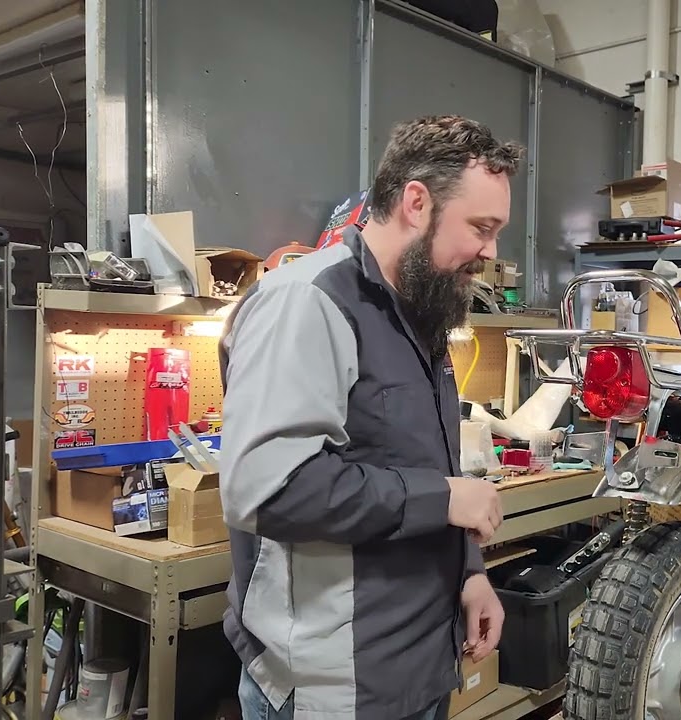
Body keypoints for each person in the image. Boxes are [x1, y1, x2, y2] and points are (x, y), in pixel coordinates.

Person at [216, 115, 526, 720]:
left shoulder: (423, 312)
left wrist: (468, 573)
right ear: (417, 202)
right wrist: (443, 499)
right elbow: (267, 488)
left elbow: (424, 463)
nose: (491, 252)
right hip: (330, 689)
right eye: (482, 228)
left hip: (419, 667)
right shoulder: (307, 302)